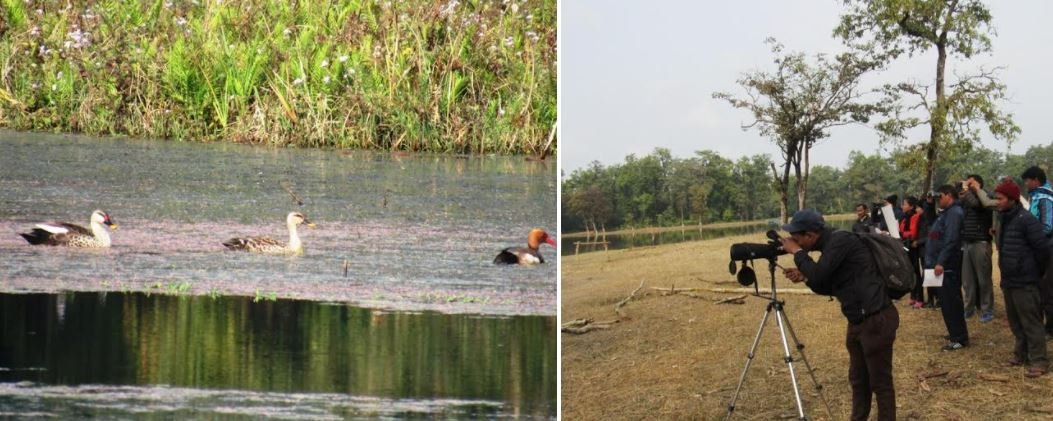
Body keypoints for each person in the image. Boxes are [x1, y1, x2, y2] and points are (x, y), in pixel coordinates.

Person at [779, 209, 897, 421]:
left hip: (876, 318)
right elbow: (826, 284)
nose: (795, 243)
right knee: (859, 380)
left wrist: (798, 254)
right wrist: (805, 277)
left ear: (811, 235)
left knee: (880, 383)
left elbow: (819, 274)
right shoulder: (830, 247)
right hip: (858, 320)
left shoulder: (840, 240)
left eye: (797, 239)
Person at [992, 180, 1049, 377]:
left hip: (1026, 281)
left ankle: (1039, 360)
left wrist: (1034, 272)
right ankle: (1021, 354)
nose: (996, 202)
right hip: (1009, 280)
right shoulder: (1003, 219)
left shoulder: (1027, 220)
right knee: (1015, 321)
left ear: (1012, 199)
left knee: (1031, 321)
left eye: (1000, 198)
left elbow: (1042, 249)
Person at [926, 184, 969, 351]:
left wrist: (941, 262)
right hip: (940, 264)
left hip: (947, 266)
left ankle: (959, 338)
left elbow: (951, 240)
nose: (938, 200)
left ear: (949, 196)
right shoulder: (946, 213)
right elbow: (931, 225)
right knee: (945, 301)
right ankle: (954, 332)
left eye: (940, 197)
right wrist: (929, 204)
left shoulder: (955, 214)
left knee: (951, 301)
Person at [959, 175, 995, 323]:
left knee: (984, 279)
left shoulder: (984, 196)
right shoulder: (966, 200)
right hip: (967, 242)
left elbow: (976, 205)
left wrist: (969, 191)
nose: (968, 184)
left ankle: (987, 309)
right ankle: (969, 308)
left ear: (978, 183)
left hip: (981, 242)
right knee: (967, 280)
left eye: (971, 181)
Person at [1022, 166, 1053, 338]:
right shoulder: (1035, 196)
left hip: (1047, 248)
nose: (1025, 184)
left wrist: (1030, 236)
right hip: (1039, 248)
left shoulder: (1045, 198)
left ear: (1035, 180)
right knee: (1040, 288)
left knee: (1048, 289)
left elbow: (1047, 226)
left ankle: (1050, 328)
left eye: (1027, 180)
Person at [900, 197, 924, 309]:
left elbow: (912, 233)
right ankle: (913, 296)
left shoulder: (915, 216)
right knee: (910, 272)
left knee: (916, 272)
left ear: (911, 206)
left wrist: (903, 233)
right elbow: (900, 231)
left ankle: (920, 298)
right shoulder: (904, 218)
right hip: (905, 246)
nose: (902, 206)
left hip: (913, 248)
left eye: (904, 204)